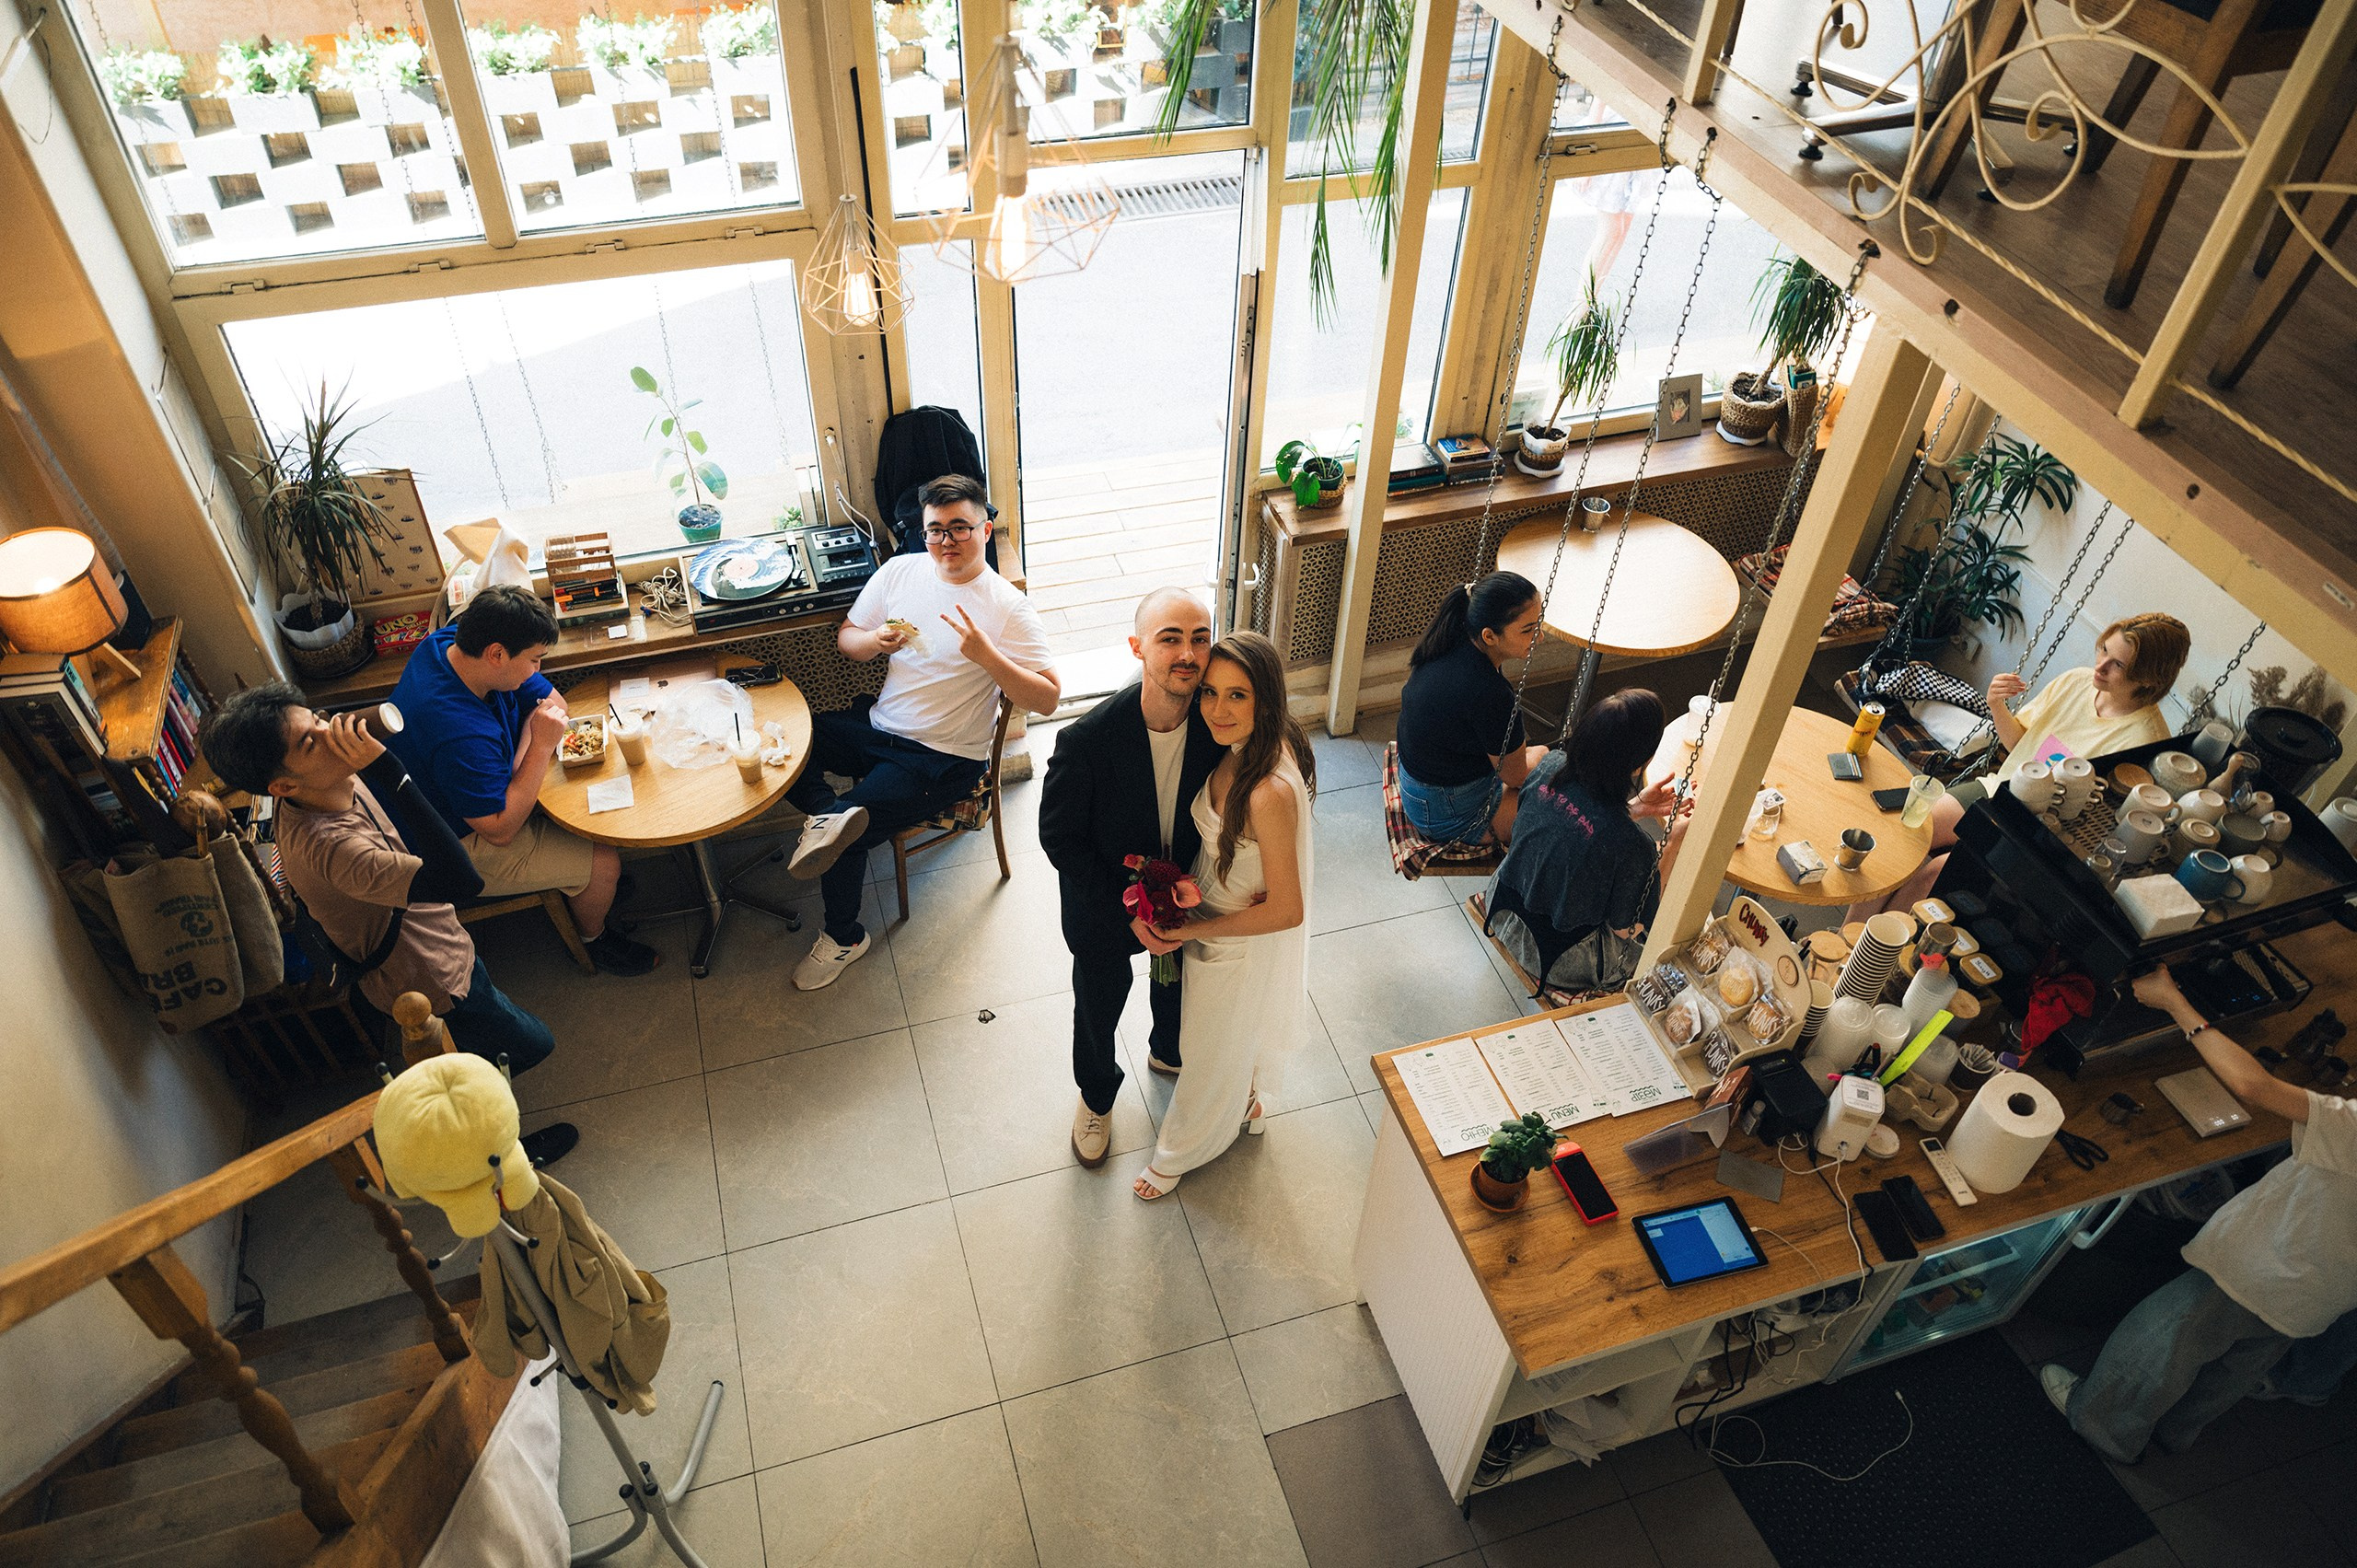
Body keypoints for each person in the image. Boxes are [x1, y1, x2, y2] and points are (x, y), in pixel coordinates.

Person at [201, 683, 576, 1167]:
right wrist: (389, 770)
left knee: (474, 1057)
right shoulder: (333, 849)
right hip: (425, 975)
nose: (329, 730)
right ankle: (499, 1150)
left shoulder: (331, 782)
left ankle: (479, 1113)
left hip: (435, 941)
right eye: (310, 741)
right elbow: (463, 880)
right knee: (516, 1051)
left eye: (317, 714)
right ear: (283, 787)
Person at [2042, 966, 2357, 1462]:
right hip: (2328, 1293)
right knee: (2238, 1364)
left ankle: (2103, 1425)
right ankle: (2176, 1432)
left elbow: (2253, 1086)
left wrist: (2174, 1001)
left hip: (2265, 1268)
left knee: (2165, 1340)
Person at [782, 473, 1060, 990]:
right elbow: (847, 636)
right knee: (792, 739)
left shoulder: (1006, 606)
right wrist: (874, 642)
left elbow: (1047, 698)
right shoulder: (901, 572)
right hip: (881, 726)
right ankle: (827, 818)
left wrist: (989, 657)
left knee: (850, 832)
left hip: (942, 757)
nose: (945, 542)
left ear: (986, 527)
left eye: (959, 528)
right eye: (935, 530)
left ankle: (844, 935)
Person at [1038, 588, 1225, 1167]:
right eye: (1170, 638)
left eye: (1200, 638)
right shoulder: (1086, 740)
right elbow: (1059, 839)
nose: (1187, 654)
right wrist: (1132, 910)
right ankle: (1096, 1097)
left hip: (1185, 892)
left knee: (1178, 981)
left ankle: (1167, 1049)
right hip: (1103, 902)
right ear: (1137, 647)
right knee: (1098, 999)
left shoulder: (1218, 724)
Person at [388, 586, 658, 975]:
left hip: (479, 791)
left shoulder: (450, 642)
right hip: (452, 842)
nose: (538, 670)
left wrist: (519, 769)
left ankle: (583, 889)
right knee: (603, 863)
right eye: (534, 661)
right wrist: (538, 749)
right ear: (497, 654)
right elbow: (500, 831)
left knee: (586, 810)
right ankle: (596, 941)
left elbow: (554, 705)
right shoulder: (457, 732)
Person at [1848, 611, 2189, 920]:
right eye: (2104, 650)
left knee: (1937, 869)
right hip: (2000, 787)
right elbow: (2019, 746)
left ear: (2148, 679)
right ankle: (1840, 940)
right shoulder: (2077, 682)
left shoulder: (2147, 740)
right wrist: (1997, 704)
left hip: (2036, 828)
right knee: (1904, 833)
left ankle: (1868, 948)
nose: (2100, 667)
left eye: (2118, 665)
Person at [1132, 631, 1316, 1202]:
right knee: (1229, 1037)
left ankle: (1180, 1150)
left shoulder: (1267, 791)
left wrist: (1194, 929)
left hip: (1233, 937)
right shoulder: (1245, 747)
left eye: (1237, 696)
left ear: (1266, 699)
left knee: (1207, 1050)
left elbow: (1287, 910)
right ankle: (1251, 1101)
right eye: (1210, 692)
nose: (1216, 710)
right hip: (1213, 910)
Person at [1481, 689, 1687, 997]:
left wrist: (1636, 808)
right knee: (1668, 919)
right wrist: (1673, 844)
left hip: (1502, 906)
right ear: (1638, 765)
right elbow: (1627, 929)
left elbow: (1575, 823)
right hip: (1554, 958)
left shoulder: (1550, 767)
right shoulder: (1633, 847)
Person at [1395, 572, 1550, 847]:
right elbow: (1515, 777)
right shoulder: (1490, 694)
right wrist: (1541, 761)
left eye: (1539, 625)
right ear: (1489, 636)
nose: (1538, 638)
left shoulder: (1446, 641)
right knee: (1551, 779)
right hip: (1443, 812)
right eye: (1528, 630)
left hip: (1416, 786)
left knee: (1539, 758)